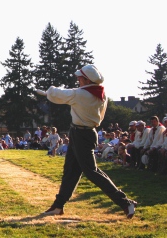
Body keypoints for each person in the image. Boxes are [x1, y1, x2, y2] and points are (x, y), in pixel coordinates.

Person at [36, 64, 136, 218]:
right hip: (84, 133)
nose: (78, 79)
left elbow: (58, 94)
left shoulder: (81, 94)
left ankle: (124, 202)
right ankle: (58, 206)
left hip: (81, 134)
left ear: (86, 79)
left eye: (80, 77)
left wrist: (49, 90)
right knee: (71, 171)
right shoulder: (100, 93)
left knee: (92, 171)